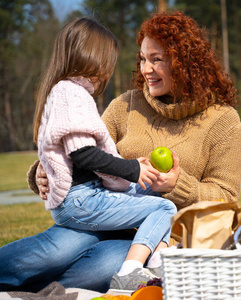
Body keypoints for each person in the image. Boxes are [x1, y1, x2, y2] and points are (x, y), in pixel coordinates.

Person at [0, 11, 241, 293]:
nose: (145, 69)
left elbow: (226, 199)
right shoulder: (126, 105)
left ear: (185, 63)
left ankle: (36, 293)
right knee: (57, 251)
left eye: (157, 59)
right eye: (142, 58)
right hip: (103, 216)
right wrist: (41, 173)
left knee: (104, 268)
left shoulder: (223, 121)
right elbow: (82, 148)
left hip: (157, 239)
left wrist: (178, 185)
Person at [30, 16, 177, 293]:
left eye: (155, 59)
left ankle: (157, 263)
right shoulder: (71, 93)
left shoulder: (70, 92)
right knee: (165, 208)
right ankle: (133, 272)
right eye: (107, 61)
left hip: (89, 196)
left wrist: (139, 173)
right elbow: (84, 154)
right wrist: (132, 169)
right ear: (90, 57)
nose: (108, 70)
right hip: (82, 199)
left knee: (156, 198)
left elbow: (82, 150)